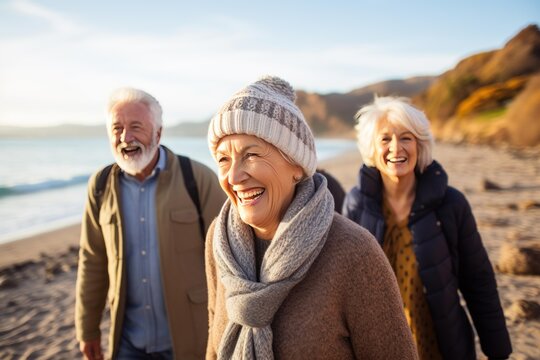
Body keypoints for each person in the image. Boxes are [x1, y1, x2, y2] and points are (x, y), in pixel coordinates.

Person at [205, 76, 418, 359]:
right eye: (223, 159)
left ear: (296, 164)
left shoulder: (354, 253)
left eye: (251, 155)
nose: (234, 176)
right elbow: (214, 348)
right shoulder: (219, 243)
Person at [342, 96, 512, 360]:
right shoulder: (355, 205)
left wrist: (498, 350)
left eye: (406, 138)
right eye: (385, 139)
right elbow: (346, 289)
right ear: (371, 149)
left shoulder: (451, 204)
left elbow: (478, 280)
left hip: (441, 347)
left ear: (420, 145)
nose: (396, 148)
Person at [75, 87, 226, 360]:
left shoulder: (198, 179)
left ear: (158, 133)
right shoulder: (99, 187)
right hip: (127, 344)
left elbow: (229, 258)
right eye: (117, 128)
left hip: (190, 341)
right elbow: (92, 260)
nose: (125, 137)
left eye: (136, 127)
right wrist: (87, 329)